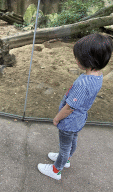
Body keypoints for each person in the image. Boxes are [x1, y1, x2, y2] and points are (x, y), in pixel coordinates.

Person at [37, 33, 113, 180]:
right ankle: (66, 160)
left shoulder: (83, 83)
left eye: (78, 57)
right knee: (73, 140)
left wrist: (57, 119)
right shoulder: (99, 75)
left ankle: (56, 170)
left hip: (69, 121)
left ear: (88, 59)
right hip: (80, 119)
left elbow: (69, 108)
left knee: (65, 146)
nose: (76, 59)